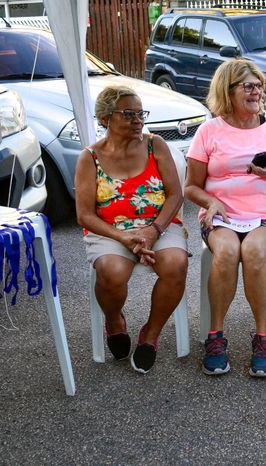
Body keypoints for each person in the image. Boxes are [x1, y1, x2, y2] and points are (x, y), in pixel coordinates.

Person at [185, 59, 266, 378]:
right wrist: (211, 200)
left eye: (259, 84)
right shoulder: (209, 131)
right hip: (221, 215)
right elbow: (191, 187)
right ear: (227, 90)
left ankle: (262, 337)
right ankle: (215, 336)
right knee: (228, 251)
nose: (256, 91)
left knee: (253, 251)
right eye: (248, 85)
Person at [75, 85, 187, 374]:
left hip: (158, 224)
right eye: (128, 114)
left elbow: (175, 195)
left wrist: (154, 230)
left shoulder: (155, 145)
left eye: (140, 114)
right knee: (112, 271)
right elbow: (85, 215)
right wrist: (122, 237)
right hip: (110, 230)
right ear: (104, 119)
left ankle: (150, 334)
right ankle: (114, 321)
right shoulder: (90, 157)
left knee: (175, 264)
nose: (138, 120)